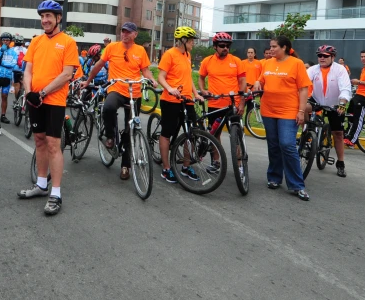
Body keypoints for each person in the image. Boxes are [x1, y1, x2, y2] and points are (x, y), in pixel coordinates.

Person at [17, 1, 79, 215]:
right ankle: (41, 184)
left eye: (49, 16)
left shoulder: (68, 42)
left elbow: (66, 74)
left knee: (53, 144)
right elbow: (28, 71)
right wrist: (29, 93)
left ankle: (56, 193)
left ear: (59, 18)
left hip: (54, 100)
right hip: (35, 100)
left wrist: (42, 93)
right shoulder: (36, 41)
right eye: (42, 16)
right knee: (39, 141)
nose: (45, 20)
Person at [84, 22, 156, 180]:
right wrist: (88, 80)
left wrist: (152, 79)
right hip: (116, 88)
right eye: (123, 31)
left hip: (134, 93)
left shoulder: (140, 50)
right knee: (108, 108)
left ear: (135, 34)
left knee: (131, 130)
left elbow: (145, 70)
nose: (125, 34)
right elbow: (99, 64)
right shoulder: (112, 48)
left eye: (128, 32)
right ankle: (110, 136)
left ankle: (125, 166)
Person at [252, 36, 312, 201]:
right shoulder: (267, 63)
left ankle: (297, 185)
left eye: (274, 47)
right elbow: (262, 79)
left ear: (284, 47)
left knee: (287, 144)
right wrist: (257, 83)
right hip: (268, 109)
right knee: (273, 145)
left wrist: (301, 111)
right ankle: (274, 177)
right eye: (270, 47)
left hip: (288, 110)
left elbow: (303, 89)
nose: (271, 50)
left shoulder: (296, 63)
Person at [156, 27, 205, 184]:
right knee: (167, 133)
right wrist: (169, 88)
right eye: (191, 41)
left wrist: (196, 93)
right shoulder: (169, 54)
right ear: (183, 41)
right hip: (170, 100)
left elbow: (188, 77)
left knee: (190, 133)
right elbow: (161, 77)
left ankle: (186, 166)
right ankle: (166, 169)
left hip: (187, 99)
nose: (192, 44)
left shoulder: (188, 55)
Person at [198, 32, 246, 172]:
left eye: (228, 46)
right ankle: (216, 162)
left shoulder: (236, 61)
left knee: (236, 136)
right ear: (215, 47)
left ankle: (239, 165)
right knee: (215, 135)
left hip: (233, 105)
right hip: (214, 104)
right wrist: (203, 89)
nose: (225, 48)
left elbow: (242, 81)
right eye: (222, 45)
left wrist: (242, 102)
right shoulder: (207, 61)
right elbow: (201, 77)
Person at [306, 45, 352, 177]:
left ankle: (340, 163)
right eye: (319, 55)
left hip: (335, 103)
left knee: (338, 133)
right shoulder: (313, 69)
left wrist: (342, 104)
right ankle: (307, 134)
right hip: (316, 99)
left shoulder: (340, 70)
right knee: (301, 109)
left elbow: (345, 88)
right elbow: (303, 83)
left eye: (325, 56)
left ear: (333, 57)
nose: (321, 58)